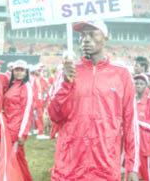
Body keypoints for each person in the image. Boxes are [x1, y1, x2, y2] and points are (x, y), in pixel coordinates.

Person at [47, 20, 139, 181]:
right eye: (82, 35)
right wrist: (66, 84)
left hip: (105, 165)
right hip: (69, 164)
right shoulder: (67, 70)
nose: (86, 39)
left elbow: (131, 121)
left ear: (105, 38)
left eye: (92, 34)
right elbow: (55, 115)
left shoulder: (121, 74)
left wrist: (132, 166)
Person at [3, 59, 34, 180]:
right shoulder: (12, 85)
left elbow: (27, 112)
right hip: (7, 127)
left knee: (13, 158)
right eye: (16, 70)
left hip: (16, 130)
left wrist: (23, 133)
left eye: (21, 70)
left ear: (26, 72)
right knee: (16, 158)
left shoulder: (26, 87)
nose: (18, 72)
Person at [134, 73, 150, 181]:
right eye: (136, 83)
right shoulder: (130, 101)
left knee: (146, 174)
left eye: (141, 83)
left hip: (144, 144)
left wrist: (137, 122)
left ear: (146, 86)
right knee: (131, 172)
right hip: (131, 144)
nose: (138, 85)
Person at [31, 64, 49, 139]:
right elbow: (33, 90)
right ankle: (40, 132)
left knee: (38, 116)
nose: (40, 71)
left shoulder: (37, 78)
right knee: (39, 116)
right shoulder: (33, 78)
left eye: (40, 70)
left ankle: (37, 129)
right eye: (38, 70)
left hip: (39, 99)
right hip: (37, 99)